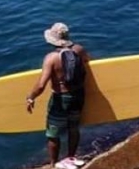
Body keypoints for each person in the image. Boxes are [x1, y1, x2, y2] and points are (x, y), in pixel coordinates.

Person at [26, 23, 90, 169]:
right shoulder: (79, 49)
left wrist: (31, 97)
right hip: (79, 95)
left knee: (53, 133)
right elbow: (88, 60)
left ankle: (54, 164)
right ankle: (71, 158)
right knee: (73, 128)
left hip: (61, 99)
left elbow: (41, 85)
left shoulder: (51, 58)